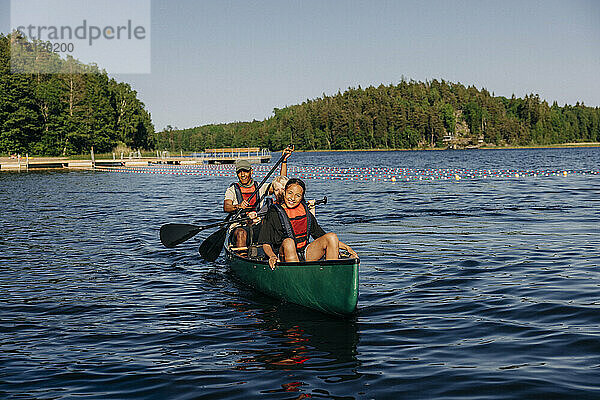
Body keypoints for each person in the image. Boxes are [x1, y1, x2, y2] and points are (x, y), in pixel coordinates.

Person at [258, 178, 357, 270]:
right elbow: (265, 243)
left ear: (302, 197)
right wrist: (272, 256)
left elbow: (321, 236)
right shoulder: (273, 213)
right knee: (289, 242)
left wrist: (347, 248)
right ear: (284, 193)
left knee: (332, 236)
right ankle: (296, 275)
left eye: (298, 195)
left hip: (305, 252)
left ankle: (331, 274)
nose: (292, 198)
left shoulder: (305, 211)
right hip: (283, 255)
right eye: (290, 193)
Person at [223, 148, 293, 248]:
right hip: (239, 226)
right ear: (237, 173)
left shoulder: (261, 187)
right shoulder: (232, 190)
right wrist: (238, 206)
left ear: (251, 171)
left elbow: (281, 183)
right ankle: (242, 256)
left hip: (258, 224)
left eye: (245, 171)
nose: (243, 175)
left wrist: (284, 160)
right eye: (240, 172)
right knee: (241, 234)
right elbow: (226, 207)